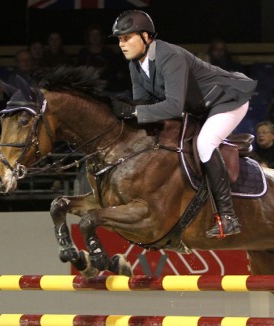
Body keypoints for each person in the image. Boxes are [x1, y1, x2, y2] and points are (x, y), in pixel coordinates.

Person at [109, 10, 257, 238]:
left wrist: (135, 111)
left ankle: (228, 217)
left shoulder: (170, 56)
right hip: (200, 107)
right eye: (119, 39)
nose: (122, 44)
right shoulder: (135, 65)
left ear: (146, 37)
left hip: (227, 99)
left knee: (205, 144)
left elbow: (173, 107)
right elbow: (143, 103)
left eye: (127, 37)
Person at [77, 24, 129, 95]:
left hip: (108, 88)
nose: (94, 37)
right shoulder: (83, 53)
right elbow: (80, 71)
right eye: (92, 35)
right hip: (90, 87)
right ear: (88, 37)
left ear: (101, 37)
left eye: (97, 35)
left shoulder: (108, 52)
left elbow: (115, 71)